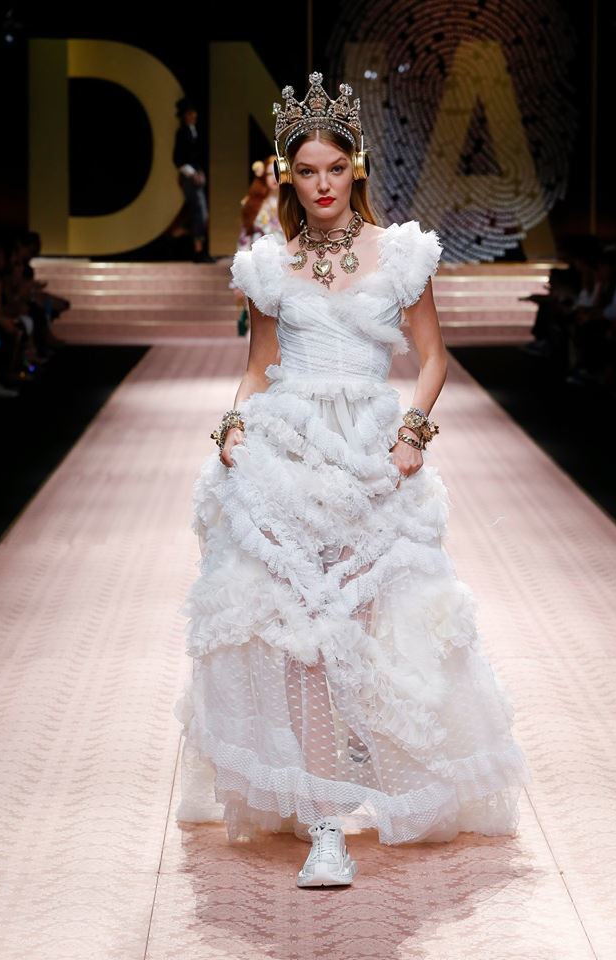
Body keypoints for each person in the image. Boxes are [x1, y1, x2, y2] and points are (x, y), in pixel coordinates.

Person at [173, 71, 532, 889]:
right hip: (287, 450)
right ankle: (325, 822)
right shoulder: (271, 265)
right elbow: (259, 366)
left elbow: (433, 358)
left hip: (372, 453)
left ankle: (360, 751)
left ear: (356, 168)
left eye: (336, 168)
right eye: (308, 172)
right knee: (298, 633)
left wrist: (413, 430)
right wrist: (233, 425)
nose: (324, 185)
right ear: (288, 177)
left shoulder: (400, 254)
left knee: (370, 619)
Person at [230, 155, 284, 335]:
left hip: (286, 266)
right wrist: (237, 280)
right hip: (257, 267)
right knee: (259, 324)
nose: (274, 178)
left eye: (277, 172)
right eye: (269, 173)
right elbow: (244, 240)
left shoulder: (293, 204)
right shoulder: (252, 203)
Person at [173, 97, 213, 263]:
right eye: (190, 113)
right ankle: (198, 250)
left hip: (197, 173)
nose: (194, 115)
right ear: (184, 116)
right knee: (199, 213)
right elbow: (178, 159)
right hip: (189, 176)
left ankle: (200, 248)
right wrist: (192, 173)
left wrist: (200, 171)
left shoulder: (194, 130)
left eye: (194, 112)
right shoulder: (182, 133)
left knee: (201, 213)